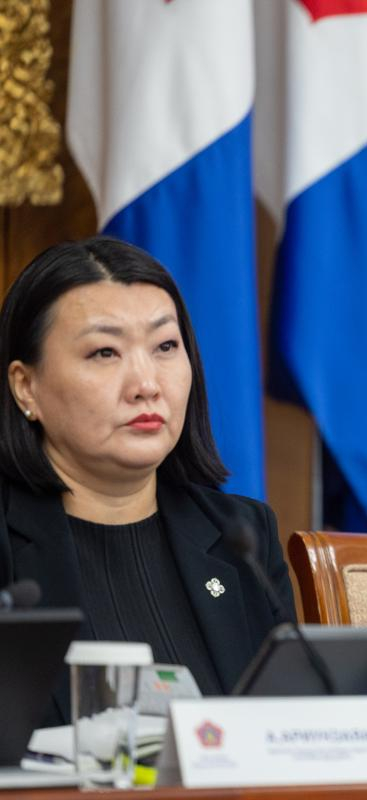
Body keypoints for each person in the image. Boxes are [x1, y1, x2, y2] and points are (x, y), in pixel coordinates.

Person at [0, 236, 293, 723]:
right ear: (26, 387)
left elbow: (288, 725)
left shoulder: (241, 536)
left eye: (165, 347)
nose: (146, 385)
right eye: (104, 352)